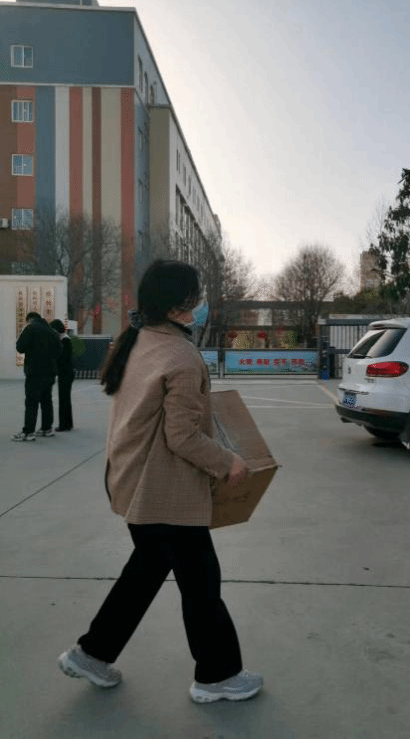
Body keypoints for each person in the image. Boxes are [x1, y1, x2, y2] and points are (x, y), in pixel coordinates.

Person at [58, 260, 263, 704]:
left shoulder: (140, 340)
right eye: (194, 298)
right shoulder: (181, 356)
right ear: (175, 307)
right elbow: (182, 436)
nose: (200, 305)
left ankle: (92, 653)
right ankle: (217, 676)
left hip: (133, 482)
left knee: (146, 572)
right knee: (201, 585)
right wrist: (227, 461)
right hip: (164, 493)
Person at [12, 312, 62, 441]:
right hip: (50, 372)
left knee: (31, 402)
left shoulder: (30, 328)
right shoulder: (51, 331)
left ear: (29, 319)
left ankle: (28, 432)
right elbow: (59, 350)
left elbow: (20, 347)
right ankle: (46, 428)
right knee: (47, 401)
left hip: (35, 372)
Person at [50, 319, 74, 431]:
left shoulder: (64, 340)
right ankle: (68, 423)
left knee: (63, 399)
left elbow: (63, 358)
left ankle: (64, 425)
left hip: (65, 373)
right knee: (65, 399)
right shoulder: (64, 339)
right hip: (65, 372)